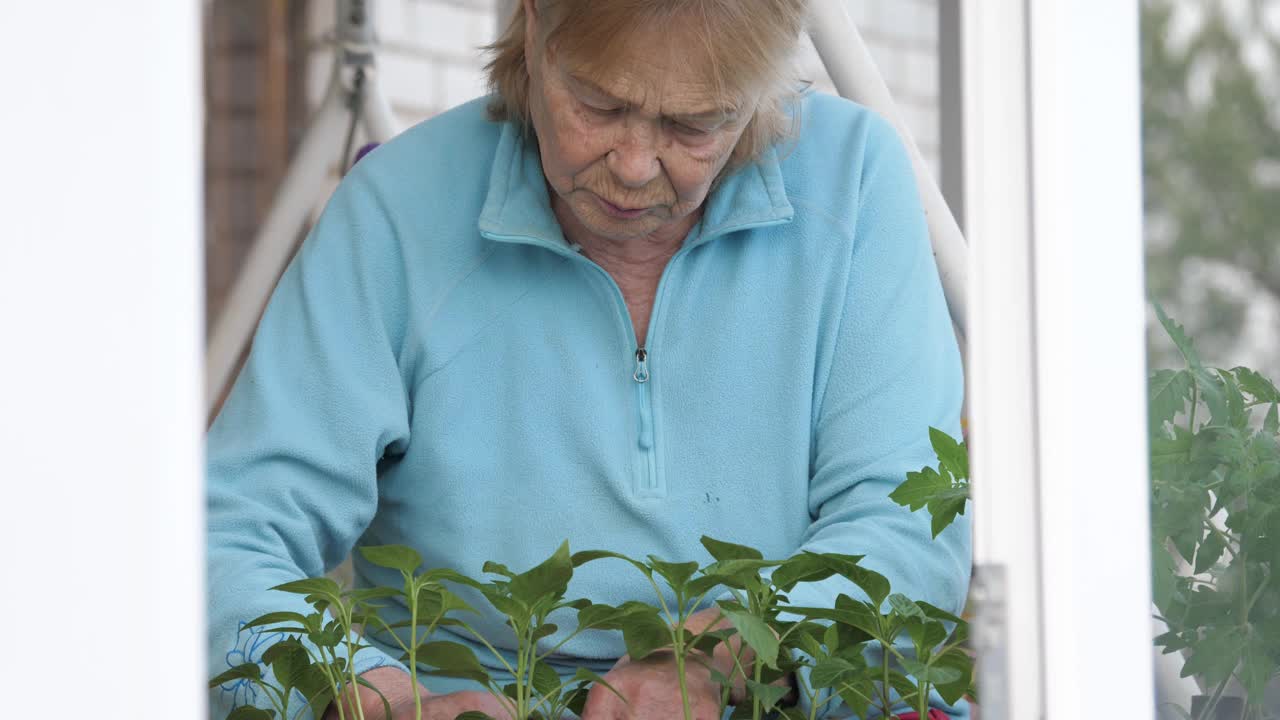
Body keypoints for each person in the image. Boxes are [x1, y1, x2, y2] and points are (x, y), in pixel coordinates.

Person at [206, 0, 971, 718]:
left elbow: (909, 529)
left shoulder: (855, 180)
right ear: (534, 26)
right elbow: (225, 532)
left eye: (695, 123)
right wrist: (372, 694)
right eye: (599, 106)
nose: (636, 165)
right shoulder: (395, 212)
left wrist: (728, 654)